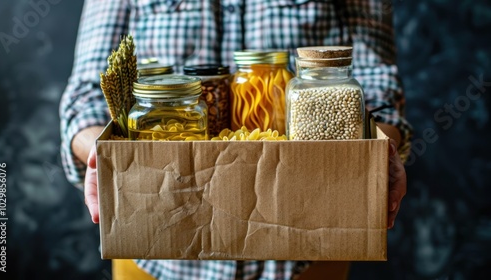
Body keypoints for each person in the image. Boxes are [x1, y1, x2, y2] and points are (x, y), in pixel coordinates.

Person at [60, 0, 412, 279]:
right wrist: (105, 157)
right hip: (157, 252)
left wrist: (380, 150)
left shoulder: (298, 87)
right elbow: (89, 93)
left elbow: (378, 85)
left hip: (308, 251)